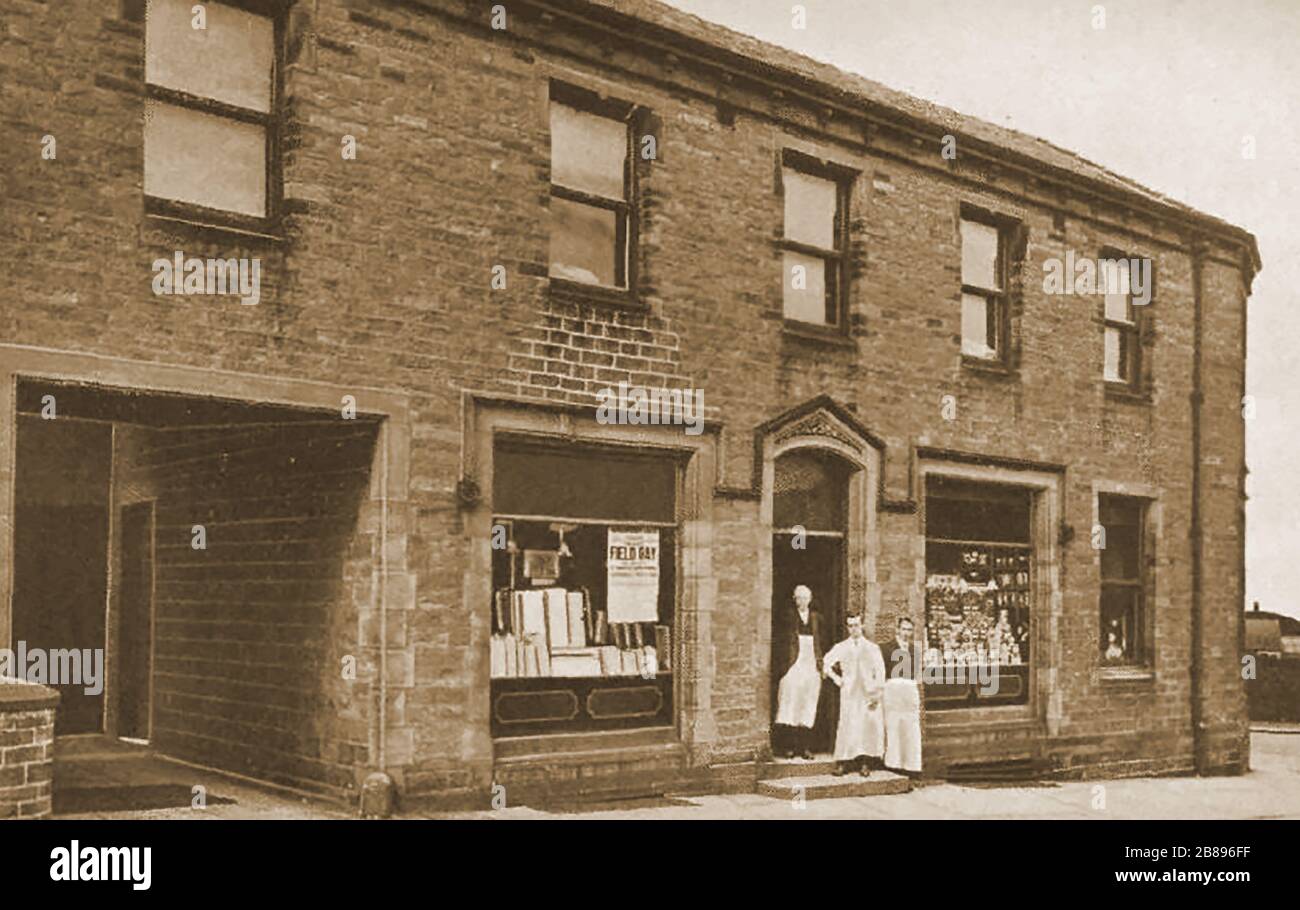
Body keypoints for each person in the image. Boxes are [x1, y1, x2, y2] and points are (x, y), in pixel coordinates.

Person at [822, 613, 885, 776]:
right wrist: (838, 679)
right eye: (850, 626)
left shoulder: (872, 648)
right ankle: (843, 762)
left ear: (862, 625)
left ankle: (865, 762)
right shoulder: (841, 647)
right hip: (849, 691)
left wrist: (876, 695)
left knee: (866, 725)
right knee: (848, 725)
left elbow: (880, 672)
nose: (853, 629)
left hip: (867, 692)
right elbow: (826, 663)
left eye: (856, 625)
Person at [773, 585, 824, 759]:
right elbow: (782, 641)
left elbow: (821, 642)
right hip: (794, 663)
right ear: (794, 600)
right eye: (798, 598)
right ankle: (789, 746)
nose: (802, 601)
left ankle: (806, 747)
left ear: (810, 599)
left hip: (811, 663)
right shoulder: (788, 616)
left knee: (808, 703)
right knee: (790, 703)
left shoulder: (817, 618)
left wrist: (821, 663)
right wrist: (784, 666)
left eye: (805, 598)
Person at [880, 616, 922, 775]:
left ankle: (910, 765)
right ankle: (893, 764)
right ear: (897, 630)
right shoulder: (886, 648)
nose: (906, 633)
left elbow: (917, 675)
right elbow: (882, 672)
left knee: (910, 728)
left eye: (909, 630)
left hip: (909, 691)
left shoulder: (914, 650)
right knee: (893, 726)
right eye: (904, 629)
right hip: (893, 691)